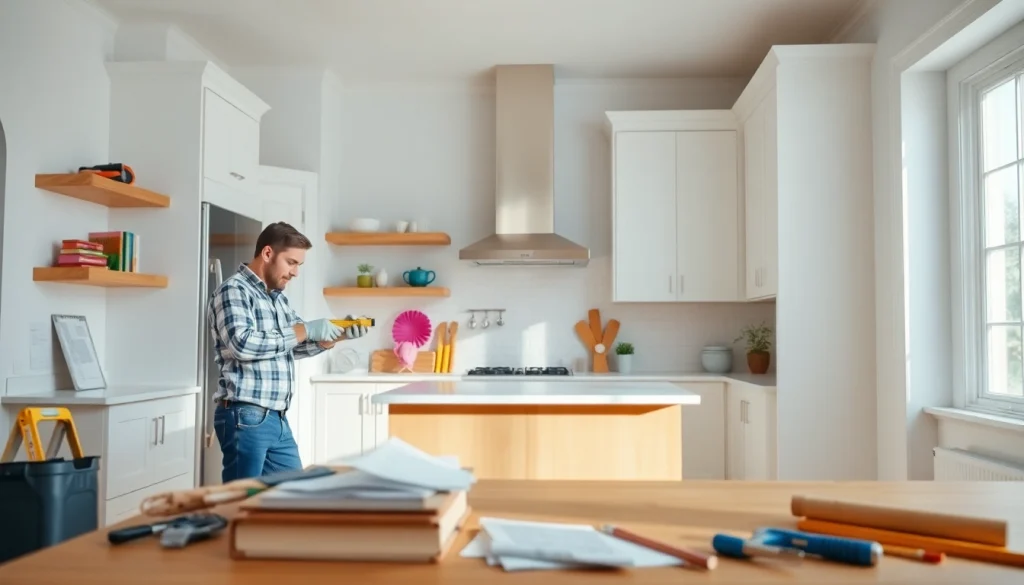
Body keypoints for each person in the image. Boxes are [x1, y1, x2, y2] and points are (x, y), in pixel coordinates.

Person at [207, 221, 369, 482]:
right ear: (268, 253)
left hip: (276, 418)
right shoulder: (233, 290)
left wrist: (336, 336)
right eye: (291, 262)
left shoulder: (277, 298)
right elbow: (242, 344)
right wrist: (306, 329)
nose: (295, 273)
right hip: (245, 415)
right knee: (241, 502)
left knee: (294, 495)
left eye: (298, 265)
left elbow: (290, 345)